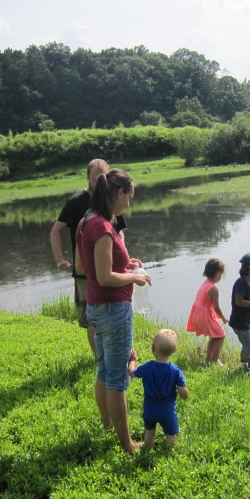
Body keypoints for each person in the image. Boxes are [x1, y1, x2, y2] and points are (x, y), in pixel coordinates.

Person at [75, 168, 150, 453]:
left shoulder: (87, 220)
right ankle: (128, 444)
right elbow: (105, 277)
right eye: (129, 196)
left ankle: (108, 425)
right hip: (114, 310)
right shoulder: (104, 227)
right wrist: (135, 277)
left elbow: (84, 268)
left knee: (104, 372)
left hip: (96, 307)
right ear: (118, 193)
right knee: (118, 381)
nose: (129, 203)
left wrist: (125, 263)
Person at [49, 158, 127, 358]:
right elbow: (55, 231)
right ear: (88, 179)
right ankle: (99, 358)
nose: (99, 182)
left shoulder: (110, 203)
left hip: (109, 269)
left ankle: (106, 359)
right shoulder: (77, 202)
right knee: (92, 319)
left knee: (108, 313)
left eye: (102, 178)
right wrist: (60, 259)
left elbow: (119, 232)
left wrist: (123, 259)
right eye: (95, 179)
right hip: (84, 270)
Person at [127, 328, 188, 449]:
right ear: (174, 350)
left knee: (149, 432)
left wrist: (133, 360)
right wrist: (185, 394)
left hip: (150, 409)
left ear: (153, 348)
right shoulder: (176, 371)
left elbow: (131, 372)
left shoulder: (147, 367)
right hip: (168, 412)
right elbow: (183, 392)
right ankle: (170, 451)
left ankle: (148, 446)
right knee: (170, 435)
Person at [186, 258, 227, 366]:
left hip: (197, 315)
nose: (221, 277)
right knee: (221, 335)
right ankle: (214, 361)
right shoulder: (214, 289)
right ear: (217, 273)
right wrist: (223, 318)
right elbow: (217, 308)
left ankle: (208, 361)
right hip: (205, 316)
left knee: (215, 336)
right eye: (221, 274)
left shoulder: (205, 283)